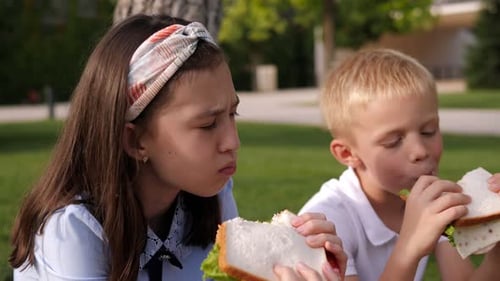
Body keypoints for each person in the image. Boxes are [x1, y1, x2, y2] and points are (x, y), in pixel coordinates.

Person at [9, 14, 346, 281]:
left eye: (233, 113)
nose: (233, 142)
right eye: (208, 124)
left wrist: (306, 264)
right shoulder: (72, 229)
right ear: (135, 140)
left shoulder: (212, 195)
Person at [299, 48, 500, 281]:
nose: (420, 151)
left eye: (429, 131)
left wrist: (497, 250)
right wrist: (409, 248)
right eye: (394, 142)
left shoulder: (427, 199)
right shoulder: (326, 221)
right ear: (347, 153)